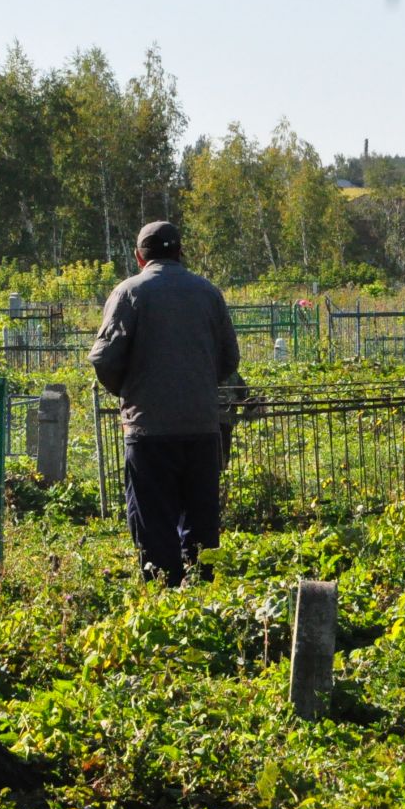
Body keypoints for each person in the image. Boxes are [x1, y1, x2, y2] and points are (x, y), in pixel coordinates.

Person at [90, 221, 240, 586]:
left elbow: (104, 359)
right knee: (201, 520)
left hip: (149, 430)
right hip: (203, 427)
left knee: (153, 519)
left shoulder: (129, 293)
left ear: (140, 256)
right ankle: (203, 593)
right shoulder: (208, 293)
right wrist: (199, 386)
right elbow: (229, 360)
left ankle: (163, 591)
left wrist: (131, 392)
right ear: (180, 252)